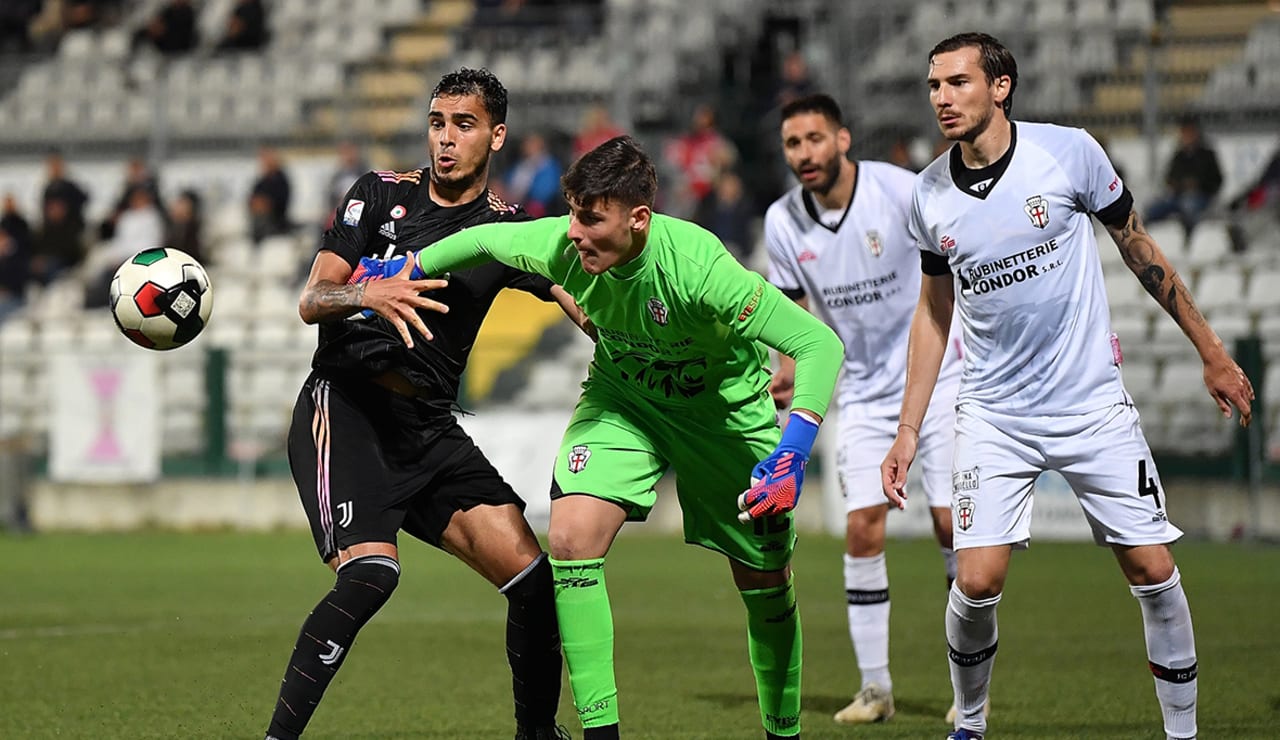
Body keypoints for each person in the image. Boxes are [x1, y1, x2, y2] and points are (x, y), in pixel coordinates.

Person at [378, 135, 844, 739]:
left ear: (639, 219)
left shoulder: (699, 267)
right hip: (625, 403)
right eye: (573, 213)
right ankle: (602, 735)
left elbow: (818, 344)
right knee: (571, 539)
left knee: (764, 583)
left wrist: (793, 452)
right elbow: (483, 238)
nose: (574, 231)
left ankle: (784, 733)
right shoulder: (561, 245)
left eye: (592, 219)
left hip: (722, 421)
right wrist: (409, 268)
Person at [880, 33, 1254, 740]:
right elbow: (933, 313)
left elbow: (1139, 246)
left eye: (957, 82)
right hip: (992, 412)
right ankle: (971, 725)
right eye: (933, 85)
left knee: (1152, 567)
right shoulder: (928, 195)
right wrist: (907, 428)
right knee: (977, 581)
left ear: (1001, 86)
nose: (941, 98)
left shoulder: (1069, 151)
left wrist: (1210, 350)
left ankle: (1184, 735)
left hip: (1090, 405)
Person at [262, 68, 580, 740]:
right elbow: (312, 300)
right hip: (345, 407)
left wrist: (625, 337)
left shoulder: (508, 232)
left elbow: (575, 295)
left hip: (427, 430)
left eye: (463, 125)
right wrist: (365, 294)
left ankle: (537, 734)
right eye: (437, 122)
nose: (445, 138)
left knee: (534, 585)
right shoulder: (379, 195)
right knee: (371, 576)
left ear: (496, 136)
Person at [763, 93, 965, 726]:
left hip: (939, 381)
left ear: (843, 140)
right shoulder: (783, 222)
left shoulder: (900, 193)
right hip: (860, 394)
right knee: (860, 529)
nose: (805, 155)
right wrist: (787, 370)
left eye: (815, 140)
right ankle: (876, 690)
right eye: (794, 144)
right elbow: (791, 311)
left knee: (949, 527)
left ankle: (968, 690)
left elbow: (955, 266)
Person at [1144, 115, 1223, 238]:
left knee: (1189, 206)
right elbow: (1169, 177)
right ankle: (1143, 239)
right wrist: (1177, 184)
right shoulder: (1179, 156)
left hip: (1200, 196)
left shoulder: (1207, 155)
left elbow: (1217, 180)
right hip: (1178, 195)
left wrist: (1198, 185)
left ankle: (1189, 239)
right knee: (1154, 209)